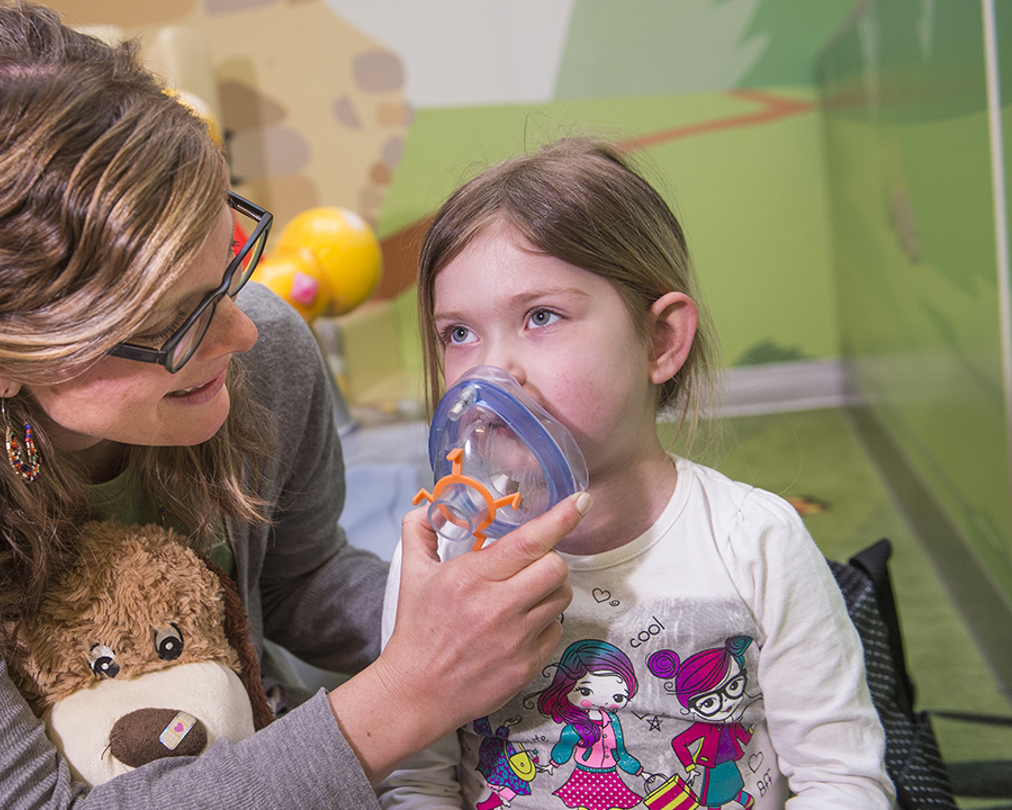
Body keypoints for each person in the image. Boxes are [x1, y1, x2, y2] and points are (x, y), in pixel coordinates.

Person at [0, 3, 582, 808]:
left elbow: (298, 580)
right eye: (168, 321)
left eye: (222, 260)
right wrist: (407, 695)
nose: (240, 333)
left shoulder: (269, 347)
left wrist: (465, 609)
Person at [375, 137, 895, 810]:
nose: (491, 372)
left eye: (541, 317)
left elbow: (843, 781)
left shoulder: (755, 542)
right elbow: (415, 782)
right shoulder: (438, 559)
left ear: (660, 341)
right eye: (459, 334)